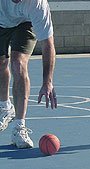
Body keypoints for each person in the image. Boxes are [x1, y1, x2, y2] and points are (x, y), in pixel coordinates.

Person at [0, 0, 57, 148]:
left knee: (18, 64)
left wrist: (47, 82)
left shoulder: (37, 4)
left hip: (25, 23)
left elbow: (47, 43)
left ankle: (19, 126)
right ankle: (5, 106)